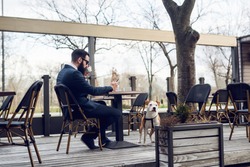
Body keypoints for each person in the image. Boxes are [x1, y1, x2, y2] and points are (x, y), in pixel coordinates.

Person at [56, 49, 121, 149]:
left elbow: (78, 89)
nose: (87, 66)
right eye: (86, 62)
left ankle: (102, 139)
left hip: (70, 109)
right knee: (116, 113)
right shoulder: (74, 74)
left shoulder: (63, 72)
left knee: (102, 104)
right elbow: (92, 91)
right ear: (79, 60)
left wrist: (82, 77)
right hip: (80, 109)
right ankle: (88, 136)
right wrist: (111, 88)